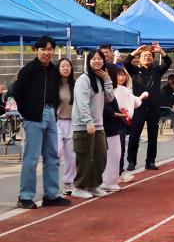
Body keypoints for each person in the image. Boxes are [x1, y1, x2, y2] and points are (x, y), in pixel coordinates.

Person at [11, 37, 71, 209]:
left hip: (51, 114)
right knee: (31, 157)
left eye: (50, 49)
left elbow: (55, 90)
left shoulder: (53, 70)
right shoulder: (28, 70)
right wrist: (28, 112)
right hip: (34, 117)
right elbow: (17, 92)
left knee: (53, 156)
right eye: (43, 49)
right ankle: (25, 196)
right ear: (36, 50)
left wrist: (53, 108)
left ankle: (51, 195)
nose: (47, 53)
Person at [71, 49, 114, 199]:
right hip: (84, 126)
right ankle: (79, 186)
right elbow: (82, 103)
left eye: (100, 59)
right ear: (88, 61)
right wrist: (88, 121)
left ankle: (93, 185)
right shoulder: (84, 79)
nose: (97, 61)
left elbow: (109, 98)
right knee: (84, 158)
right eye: (94, 59)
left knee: (100, 156)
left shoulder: (101, 78)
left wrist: (108, 79)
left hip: (99, 125)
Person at [123, 42, 172, 171]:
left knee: (152, 137)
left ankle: (150, 162)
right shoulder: (134, 70)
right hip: (138, 108)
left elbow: (168, 62)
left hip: (153, 109)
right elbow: (125, 63)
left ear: (153, 58)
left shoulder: (157, 70)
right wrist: (136, 51)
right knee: (134, 136)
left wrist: (160, 51)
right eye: (144, 56)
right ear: (139, 58)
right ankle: (131, 162)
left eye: (149, 56)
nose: (147, 57)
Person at [113, 67, 146, 183]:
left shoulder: (124, 89)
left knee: (120, 148)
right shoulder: (114, 89)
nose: (122, 77)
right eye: (119, 75)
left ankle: (118, 173)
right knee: (117, 149)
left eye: (123, 75)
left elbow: (134, 101)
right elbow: (134, 101)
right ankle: (115, 175)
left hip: (123, 121)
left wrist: (141, 96)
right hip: (115, 121)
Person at [100, 65, 128, 193]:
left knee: (116, 154)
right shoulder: (102, 88)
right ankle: (104, 181)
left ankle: (111, 181)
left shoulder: (112, 89)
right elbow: (106, 109)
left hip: (115, 126)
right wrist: (120, 114)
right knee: (107, 155)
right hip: (105, 125)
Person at [56, 58, 77, 196]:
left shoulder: (75, 84)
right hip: (56, 122)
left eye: (68, 66)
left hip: (72, 122)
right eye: (63, 66)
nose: (65, 68)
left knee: (72, 155)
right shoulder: (53, 85)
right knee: (56, 152)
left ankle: (69, 182)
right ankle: (51, 184)